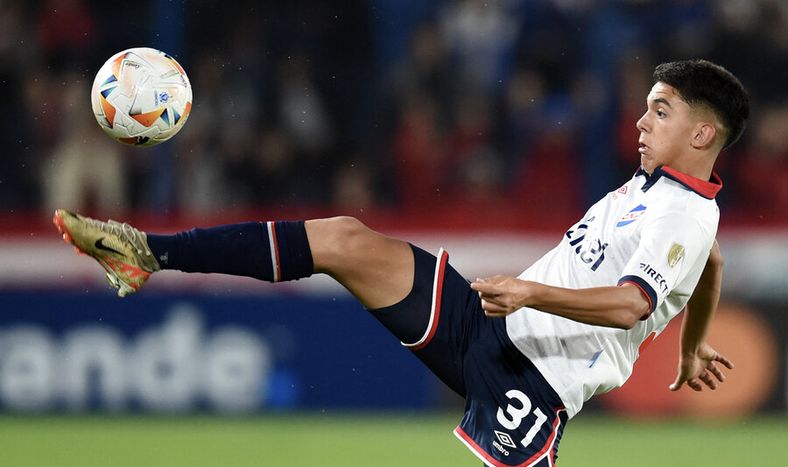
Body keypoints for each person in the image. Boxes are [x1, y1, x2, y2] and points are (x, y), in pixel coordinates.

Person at [53, 59, 748, 467]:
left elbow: (632, 302)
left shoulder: (683, 213)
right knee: (344, 238)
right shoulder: (665, 190)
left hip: (533, 385)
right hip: (486, 324)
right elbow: (708, 263)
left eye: (659, 112)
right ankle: (148, 252)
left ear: (702, 132)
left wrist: (532, 290)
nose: (640, 121)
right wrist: (693, 344)